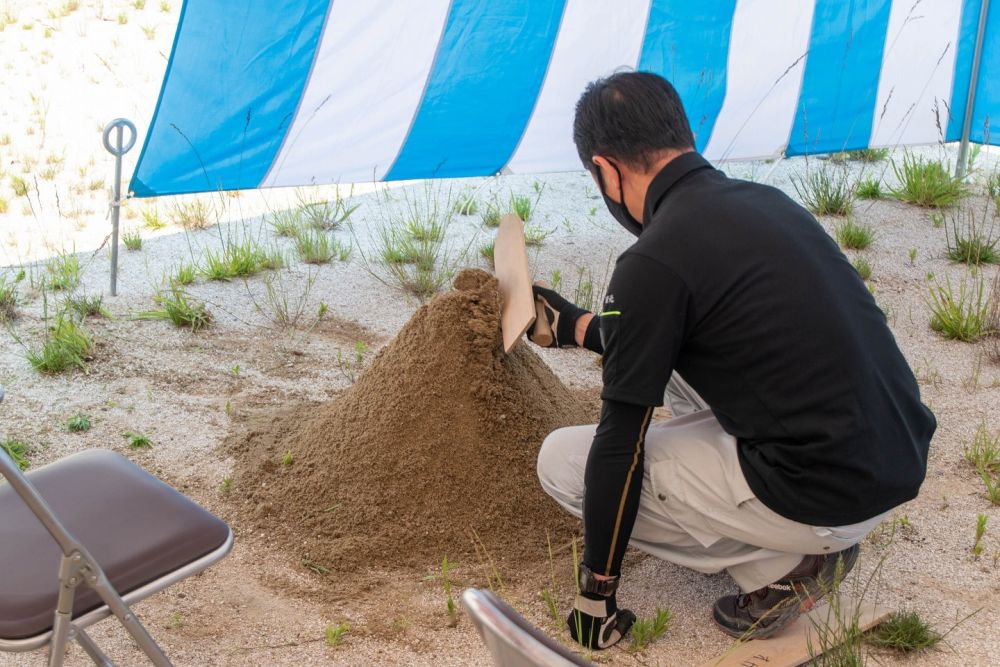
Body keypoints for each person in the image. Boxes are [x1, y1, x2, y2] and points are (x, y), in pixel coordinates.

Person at [527, 71, 936, 649]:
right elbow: (665, 332)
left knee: (563, 459)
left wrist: (597, 596)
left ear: (606, 170)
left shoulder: (653, 258)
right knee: (671, 369)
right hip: (891, 459)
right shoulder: (768, 203)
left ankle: (786, 565)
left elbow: (620, 445)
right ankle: (801, 535)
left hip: (825, 498)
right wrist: (572, 326)